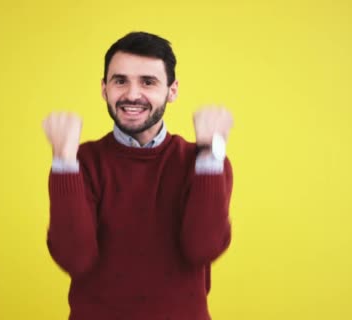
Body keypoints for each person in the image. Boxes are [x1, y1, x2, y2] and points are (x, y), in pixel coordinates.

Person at [42, 31, 234, 320]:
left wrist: (209, 155)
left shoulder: (203, 161)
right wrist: (63, 161)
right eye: (120, 81)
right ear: (104, 89)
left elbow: (201, 249)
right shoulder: (78, 161)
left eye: (148, 82)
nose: (132, 94)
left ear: (172, 90)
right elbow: (75, 258)